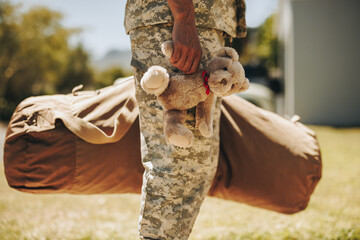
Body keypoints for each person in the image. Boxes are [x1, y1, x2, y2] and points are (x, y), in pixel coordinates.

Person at [124, 0, 246, 239]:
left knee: (194, 167)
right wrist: (184, 17)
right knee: (178, 167)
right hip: (178, 18)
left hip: (202, 22)